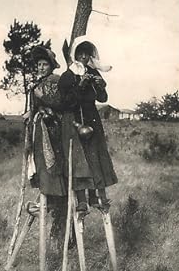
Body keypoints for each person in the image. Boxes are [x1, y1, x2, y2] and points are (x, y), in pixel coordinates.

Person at [58, 36, 118, 217]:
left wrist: (100, 86)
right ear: (75, 54)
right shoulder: (68, 76)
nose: (84, 56)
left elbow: (102, 99)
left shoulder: (93, 72)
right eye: (80, 53)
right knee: (79, 161)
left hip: (92, 121)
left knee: (95, 158)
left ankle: (96, 197)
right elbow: (66, 103)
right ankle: (82, 201)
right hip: (75, 122)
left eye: (87, 53)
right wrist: (80, 86)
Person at [25, 45, 67, 241]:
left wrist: (44, 99)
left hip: (53, 129)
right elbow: (35, 106)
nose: (41, 68)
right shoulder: (36, 84)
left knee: (52, 164)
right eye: (39, 65)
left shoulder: (55, 81)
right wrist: (30, 113)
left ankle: (53, 202)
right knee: (40, 163)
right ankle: (45, 201)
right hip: (38, 130)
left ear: (51, 66)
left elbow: (60, 103)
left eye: (45, 64)